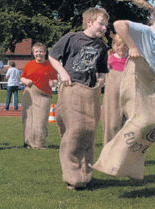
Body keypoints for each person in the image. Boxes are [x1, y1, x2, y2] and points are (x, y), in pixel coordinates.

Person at [92, 4, 155, 180]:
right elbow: (119, 24)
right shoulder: (145, 31)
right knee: (142, 120)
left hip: (148, 78)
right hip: (135, 76)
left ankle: (130, 163)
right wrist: (132, 46)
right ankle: (109, 157)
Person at [49, 7, 109, 190]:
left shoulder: (101, 46)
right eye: (101, 23)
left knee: (88, 133)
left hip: (90, 91)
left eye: (106, 24)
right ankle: (72, 177)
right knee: (74, 132)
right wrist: (63, 73)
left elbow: (102, 70)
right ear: (90, 22)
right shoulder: (72, 38)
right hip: (71, 88)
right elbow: (52, 56)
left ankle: (86, 175)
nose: (104, 28)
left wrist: (101, 80)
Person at [21, 42, 57, 149]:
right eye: (36, 51)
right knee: (28, 119)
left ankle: (39, 143)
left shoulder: (50, 65)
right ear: (33, 53)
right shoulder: (29, 65)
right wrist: (26, 80)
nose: (39, 54)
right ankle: (28, 142)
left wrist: (53, 82)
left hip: (44, 95)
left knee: (40, 120)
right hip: (30, 94)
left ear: (45, 52)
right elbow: (22, 77)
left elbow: (55, 79)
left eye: (41, 51)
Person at [101, 34, 128, 145]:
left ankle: (124, 152)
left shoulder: (131, 60)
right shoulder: (109, 59)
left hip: (127, 96)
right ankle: (109, 148)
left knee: (127, 124)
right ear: (113, 46)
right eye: (118, 45)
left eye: (124, 46)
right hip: (112, 96)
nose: (121, 48)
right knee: (112, 123)